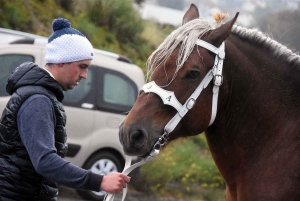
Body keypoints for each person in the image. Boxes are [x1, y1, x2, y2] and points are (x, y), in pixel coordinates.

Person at [0, 18, 130, 201]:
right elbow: (45, 162)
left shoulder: (43, 96)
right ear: (61, 61)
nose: (85, 75)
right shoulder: (38, 101)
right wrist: (98, 181)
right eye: (82, 67)